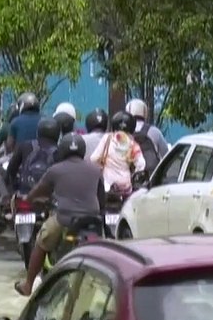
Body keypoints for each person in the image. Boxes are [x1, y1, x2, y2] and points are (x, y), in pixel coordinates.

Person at [14, 134, 104, 296]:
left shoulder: (55, 170)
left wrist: (28, 198)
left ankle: (28, 285)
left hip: (64, 218)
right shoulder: (95, 169)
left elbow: (37, 191)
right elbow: (101, 197)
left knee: (42, 242)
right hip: (92, 220)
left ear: (62, 151)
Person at [89, 112, 146, 195]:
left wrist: (102, 165)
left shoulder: (107, 138)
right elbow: (141, 164)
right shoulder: (133, 144)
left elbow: (94, 159)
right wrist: (133, 174)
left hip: (107, 184)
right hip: (125, 186)